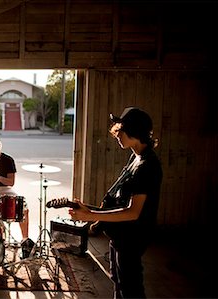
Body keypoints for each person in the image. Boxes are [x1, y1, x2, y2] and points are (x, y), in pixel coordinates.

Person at [69, 107, 162, 299]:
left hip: (132, 236)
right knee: (118, 281)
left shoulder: (147, 166)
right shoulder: (135, 157)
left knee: (131, 288)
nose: (117, 134)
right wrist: (90, 209)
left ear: (135, 131)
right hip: (120, 233)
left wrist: (90, 215)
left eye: (121, 130)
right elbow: (119, 199)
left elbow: (133, 212)